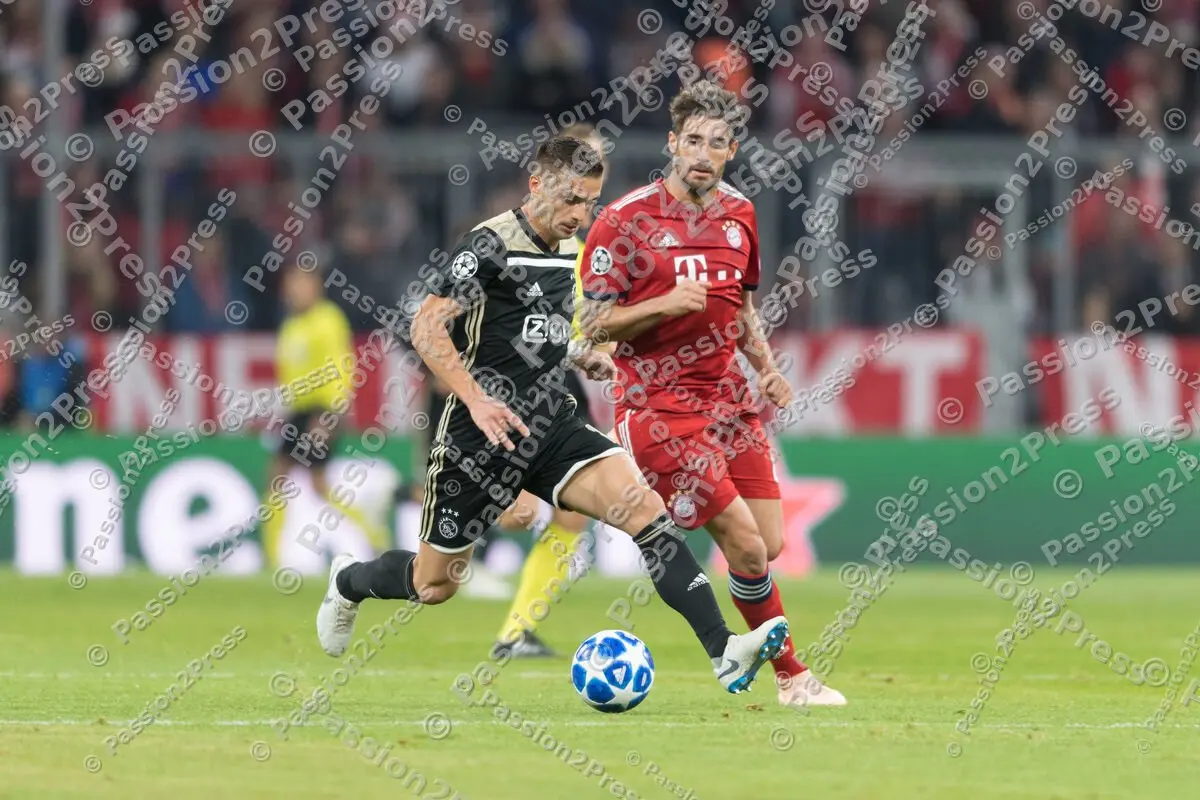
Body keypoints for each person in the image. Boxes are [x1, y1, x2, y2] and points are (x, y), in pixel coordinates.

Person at [317, 136, 789, 695]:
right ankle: (348, 581)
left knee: (644, 509)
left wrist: (583, 355)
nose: (578, 215)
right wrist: (474, 396)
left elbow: (545, 332)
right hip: (479, 431)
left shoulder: (575, 252)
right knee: (434, 584)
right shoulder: (489, 245)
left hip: (552, 421)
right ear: (537, 185)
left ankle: (724, 651)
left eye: (588, 202)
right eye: (569, 200)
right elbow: (426, 326)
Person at [577, 80, 847, 709]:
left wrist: (767, 365)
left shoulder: (740, 214)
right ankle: (793, 678)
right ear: (672, 144)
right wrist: (666, 303)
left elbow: (742, 306)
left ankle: (663, 531)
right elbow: (593, 324)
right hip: (658, 405)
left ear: (731, 151)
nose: (702, 152)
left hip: (728, 398)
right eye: (692, 140)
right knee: (747, 546)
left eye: (716, 143)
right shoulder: (625, 220)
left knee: (768, 542)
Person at [485, 122, 616, 659]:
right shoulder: (509, 240)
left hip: (562, 383)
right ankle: (450, 514)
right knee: (515, 516)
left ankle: (515, 632)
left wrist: (599, 347)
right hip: (514, 386)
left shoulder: (586, 249)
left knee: (572, 515)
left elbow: (585, 324)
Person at [262, 263, 387, 566]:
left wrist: (331, 415)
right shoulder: (292, 325)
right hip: (298, 412)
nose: (295, 291)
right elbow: (288, 375)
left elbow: (342, 369)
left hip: (321, 411)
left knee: (313, 483)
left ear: (315, 287)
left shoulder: (328, 321)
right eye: (291, 285)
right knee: (279, 479)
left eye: (301, 284)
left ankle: (375, 537)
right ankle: (272, 557)